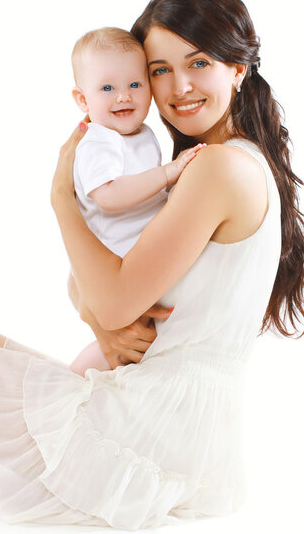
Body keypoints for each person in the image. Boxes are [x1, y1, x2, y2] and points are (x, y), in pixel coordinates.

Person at [0, 0, 304, 530]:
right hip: (171, 431)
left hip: (140, 438)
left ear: (237, 68)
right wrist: (99, 314)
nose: (178, 87)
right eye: (159, 69)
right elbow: (97, 285)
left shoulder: (217, 169)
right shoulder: (216, 163)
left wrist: (62, 198)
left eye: (198, 62)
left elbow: (109, 299)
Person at [68, 26, 205, 376]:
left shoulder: (141, 135)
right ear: (83, 100)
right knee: (122, 346)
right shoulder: (99, 140)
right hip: (117, 261)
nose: (123, 97)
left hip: (139, 258)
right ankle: (75, 381)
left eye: (134, 84)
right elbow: (109, 196)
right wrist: (168, 173)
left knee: (139, 345)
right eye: (107, 88)